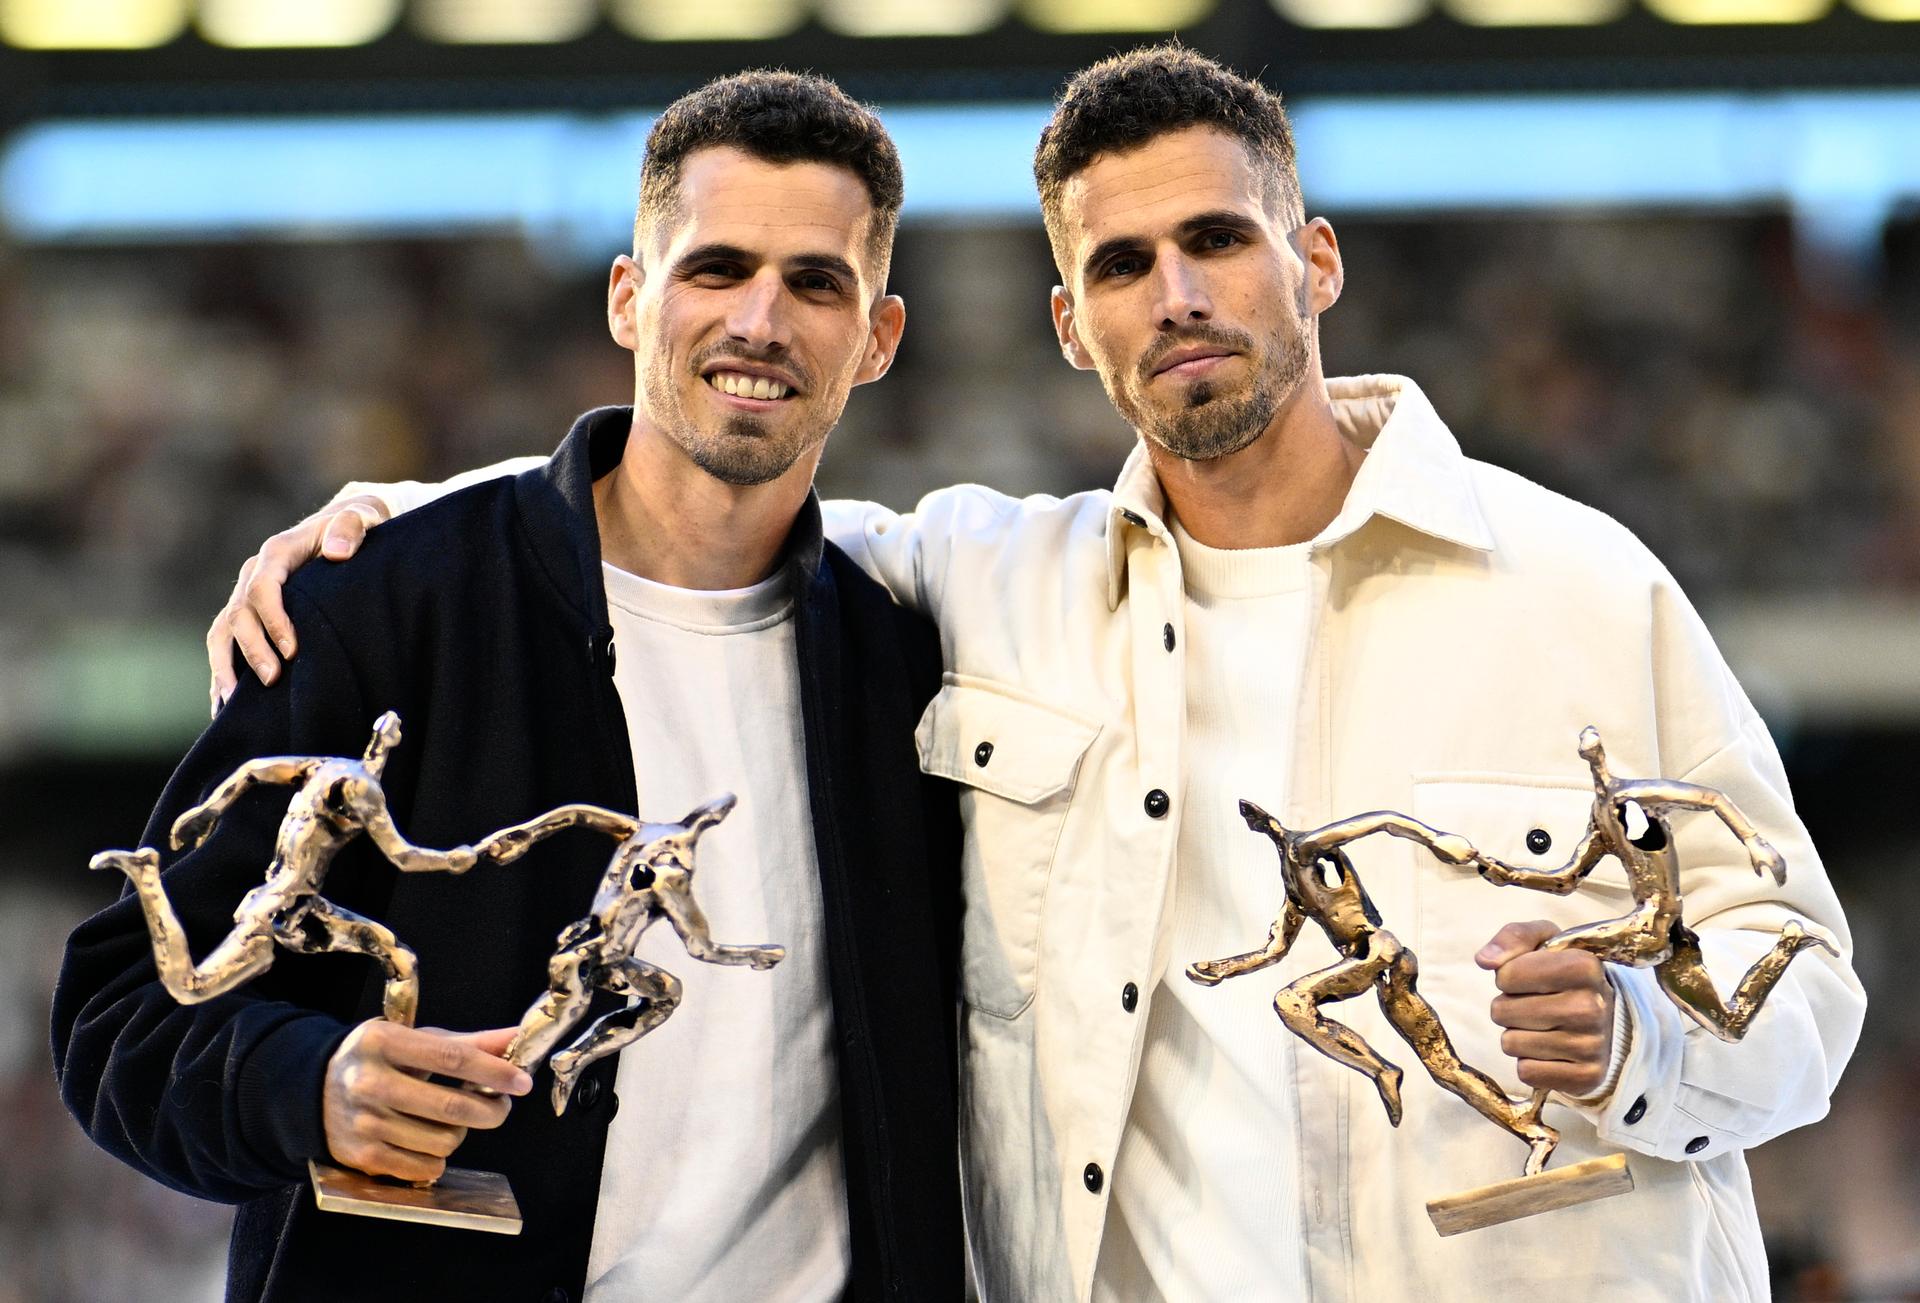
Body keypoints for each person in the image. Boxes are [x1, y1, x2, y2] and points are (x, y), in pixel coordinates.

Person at [207, 45, 1864, 1302]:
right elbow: (691, 495)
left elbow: (1806, 981)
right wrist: (394, 525)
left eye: (1220, 236)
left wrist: (1644, 1032)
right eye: (1124, 265)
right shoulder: (991, 579)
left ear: (1320, 262)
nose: (1183, 294)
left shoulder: (1576, 585)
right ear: (1074, 324)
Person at [57, 71, 964, 1303]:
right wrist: (305, 1085)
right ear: (630, 299)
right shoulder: (387, 603)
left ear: (879, 338)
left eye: (817, 282)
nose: (762, 319)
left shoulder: (909, 665)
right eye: (715, 268)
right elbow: (119, 1015)